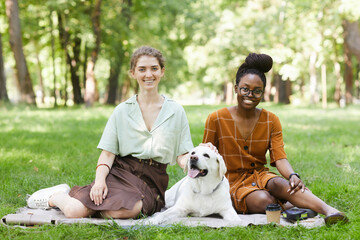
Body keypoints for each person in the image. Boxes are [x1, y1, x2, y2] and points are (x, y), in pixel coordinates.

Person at [27, 46, 194, 219]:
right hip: (122, 172)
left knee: (129, 209)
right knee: (73, 211)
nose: (148, 74)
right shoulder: (121, 111)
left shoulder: (175, 111)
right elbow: (107, 154)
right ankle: (56, 196)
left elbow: (183, 155)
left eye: (154, 68)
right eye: (142, 69)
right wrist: (99, 182)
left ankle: (92, 207)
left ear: (162, 72)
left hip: (153, 180)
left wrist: (199, 158)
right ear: (133, 73)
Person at [202, 53, 348, 225]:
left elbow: (279, 158)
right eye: (245, 89)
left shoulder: (271, 120)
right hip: (230, 182)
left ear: (263, 93)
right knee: (265, 201)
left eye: (257, 91)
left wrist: (293, 175)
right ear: (236, 89)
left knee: (280, 183)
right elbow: (206, 155)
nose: (250, 95)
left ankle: (329, 211)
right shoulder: (216, 118)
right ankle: (290, 205)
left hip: (259, 175)